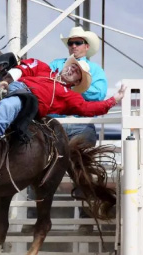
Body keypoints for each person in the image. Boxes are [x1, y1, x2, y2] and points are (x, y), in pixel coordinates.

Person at [47, 26, 107, 234]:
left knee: (82, 168)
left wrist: (70, 84)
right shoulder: (56, 64)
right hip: (56, 124)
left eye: (78, 42)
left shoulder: (95, 70)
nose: (74, 46)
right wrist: (80, 86)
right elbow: (48, 86)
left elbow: (98, 94)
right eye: (71, 43)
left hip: (78, 124)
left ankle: (85, 218)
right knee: (37, 167)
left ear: (86, 46)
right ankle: (35, 217)